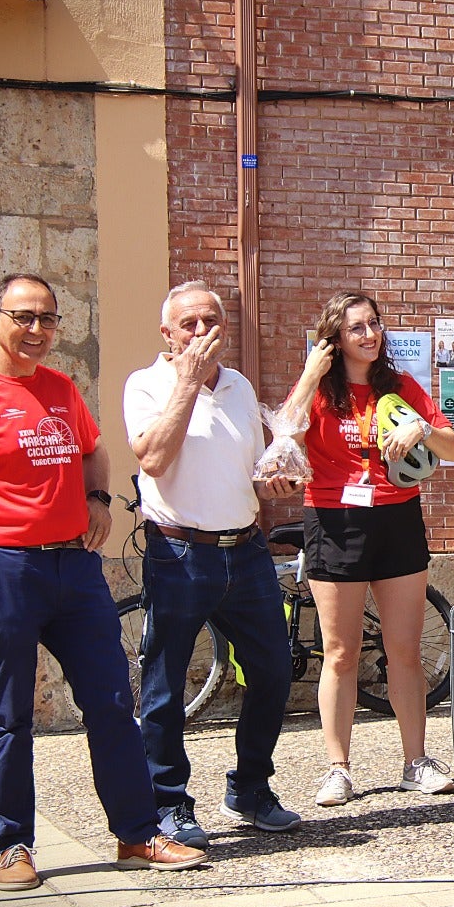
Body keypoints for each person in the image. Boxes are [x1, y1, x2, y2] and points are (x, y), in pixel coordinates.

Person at [0, 272, 205, 892]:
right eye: (23, 317)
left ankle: (137, 833)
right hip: (2, 567)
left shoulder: (60, 388)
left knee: (111, 702)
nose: (37, 330)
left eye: (47, 319)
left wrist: (97, 495)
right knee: (9, 713)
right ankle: (14, 845)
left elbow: (93, 448)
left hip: (75, 568)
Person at [123, 282, 302, 847]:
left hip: (245, 551)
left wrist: (276, 479)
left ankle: (250, 787)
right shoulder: (147, 384)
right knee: (164, 685)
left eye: (211, 324)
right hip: (179, 553)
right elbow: (152, 456)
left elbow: (251, 470)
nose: (202, 334)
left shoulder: (241, 387)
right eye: (190, 325)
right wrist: (185, 383)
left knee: (274, 670)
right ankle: (169, 803)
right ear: (167, 334)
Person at [282, 291, 454, 806]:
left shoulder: (402, 387)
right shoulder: (320, 390)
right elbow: (283, 433)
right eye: (355, 328)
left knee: (403, 650)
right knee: (339, 652)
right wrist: (310, 375)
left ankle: (416, 761)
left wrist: (423, 428)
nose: (368, 335)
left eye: (374, 324)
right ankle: (338, 768)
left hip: (396, 517)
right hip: (335, 519)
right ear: (335, 340)